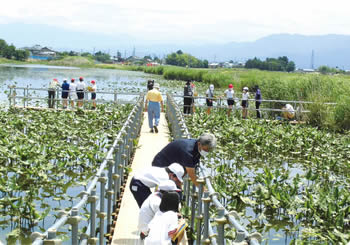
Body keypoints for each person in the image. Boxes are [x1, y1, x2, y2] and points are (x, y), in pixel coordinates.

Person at [152, 133, 216, 187]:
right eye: (206, 149)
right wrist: (204, 191)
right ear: (199, 144)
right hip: (161, 165)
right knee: (164, 188)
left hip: (172, 166)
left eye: (209, 150)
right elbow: (192, 176)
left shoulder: (196, 146)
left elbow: (187, 169)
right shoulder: (188, 151)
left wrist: (179, 183)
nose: (207, 151)